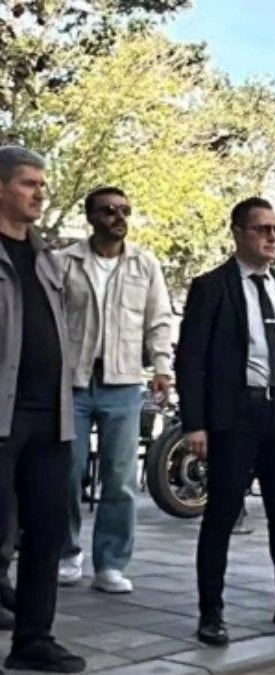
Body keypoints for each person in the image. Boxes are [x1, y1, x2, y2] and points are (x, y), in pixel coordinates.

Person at [176, 197, 275, 646]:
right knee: (222, 513)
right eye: (262, 229)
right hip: (236, 414)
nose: (271, 237)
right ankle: (211, 611)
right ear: (239, 233)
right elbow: (191, 358)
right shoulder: (213, 286)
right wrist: (194, 423)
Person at [56, 186, 174, 594]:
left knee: (120, 478)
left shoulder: (145, 264)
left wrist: (162, 367)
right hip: (72, 381)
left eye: (125, 210)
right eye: (108, 210)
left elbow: (159, 320)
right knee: (67, 473)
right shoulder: (65, 262)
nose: (118, 217)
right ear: (91, 217)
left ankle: (110, 563)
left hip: (122, 382)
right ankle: (66, 553)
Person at [0, 145, 87, 672]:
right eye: (28, 183)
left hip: (51, 415)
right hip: (3, 416)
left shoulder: (47, 259)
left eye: (42, 184)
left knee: (47, 531)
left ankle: (33, 639)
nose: (40, 194)